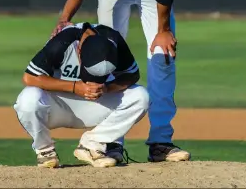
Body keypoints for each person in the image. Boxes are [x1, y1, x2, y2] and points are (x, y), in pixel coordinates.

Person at [51, 0, 191, 163]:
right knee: (105, 58)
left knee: (162, 57)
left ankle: (161, 141)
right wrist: (64, 18)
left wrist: (164, 30)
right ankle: (110, 141)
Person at [14, 22, 149, 168]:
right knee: (28, 99)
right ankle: (45, 150)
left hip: (97, 104)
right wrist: (74, 87)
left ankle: (92, 144)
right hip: (58, 106)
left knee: (140, 96)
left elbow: (132, 75)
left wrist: (107, 88)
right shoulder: (64, 41)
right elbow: (30, 77)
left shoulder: (114, 40)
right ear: (79, 50)